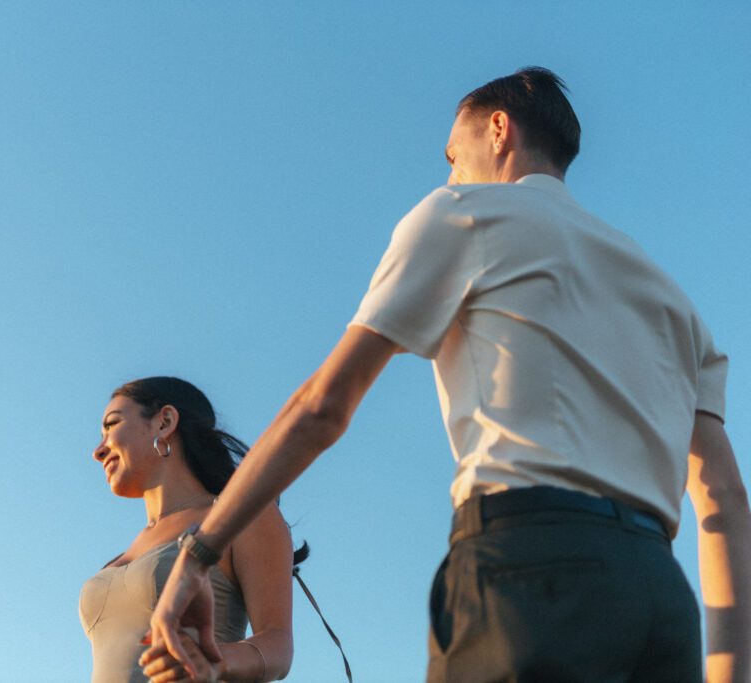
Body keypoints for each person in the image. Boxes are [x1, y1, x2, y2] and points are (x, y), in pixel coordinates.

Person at [147, 68, 750, 682]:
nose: (449, 176)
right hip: (660, 596)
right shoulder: (671, 300)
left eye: (453, 156)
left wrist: (199, 553)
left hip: (530, 568)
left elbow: (322, 408)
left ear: (499, 129)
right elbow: (724, 500)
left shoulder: (463, 214)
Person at [79, 376, 295, 682]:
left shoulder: (239, 516)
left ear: (165, 422)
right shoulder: (120, 557)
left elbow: (278, 646)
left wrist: (215, 661)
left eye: (112, 425)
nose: (98, 451)